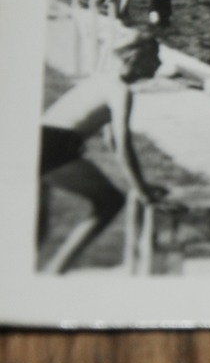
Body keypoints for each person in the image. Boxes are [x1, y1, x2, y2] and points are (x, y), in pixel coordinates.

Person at [37, 27, 166, 273]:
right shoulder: (121, 90)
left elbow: (112, 142)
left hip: (42, 139)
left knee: (37, 228)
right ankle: (55, 271)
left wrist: (140, 185)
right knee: (109, 202)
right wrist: (142, 190)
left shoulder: (103, 78)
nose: (159, 63)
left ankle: (44, 275)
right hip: (54, 145)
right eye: (155, 56)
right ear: (134, 59)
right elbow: (123, 140)